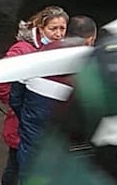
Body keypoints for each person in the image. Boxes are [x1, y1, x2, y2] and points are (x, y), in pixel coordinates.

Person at [0, 5, 67, 185]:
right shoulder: (22, 51)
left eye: (62, 29)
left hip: (40, 121)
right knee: (15, 166)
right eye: (54, 29)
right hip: (23, 121)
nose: (58, 34)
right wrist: (16, 105)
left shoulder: (58, 50)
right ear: (41, 28)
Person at [12, 15, 98, 172]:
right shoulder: (90, 69)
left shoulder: (38, 55)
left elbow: (15, 98)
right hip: (62, 152)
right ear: (90, 39)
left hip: (32, 142)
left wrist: (26, 120)